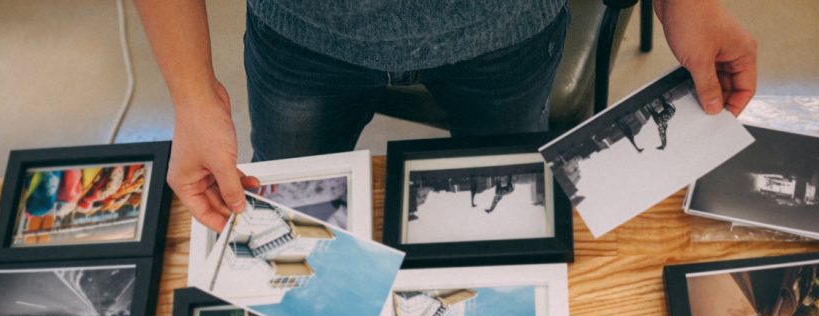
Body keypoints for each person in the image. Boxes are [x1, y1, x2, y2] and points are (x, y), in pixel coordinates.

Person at [134, 0, 757, 231]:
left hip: (507, 29)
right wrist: (191, 94)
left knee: (509, 216)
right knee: (287, 216)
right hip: (304, 34)